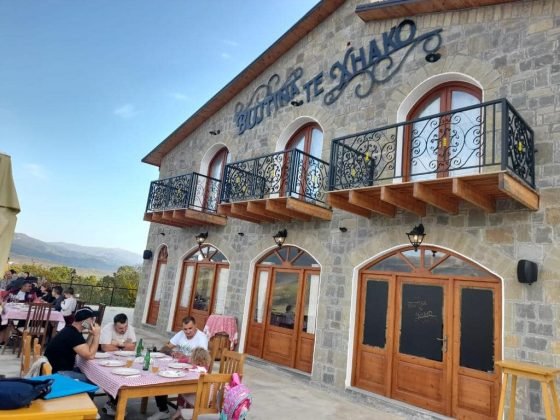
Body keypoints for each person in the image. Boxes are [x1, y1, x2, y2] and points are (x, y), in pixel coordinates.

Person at [148, 316, 209, 420]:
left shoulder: (202, 338)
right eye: (185, 329)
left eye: (190, 328)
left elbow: (202, 359)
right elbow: (165, 347)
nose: (187, 331)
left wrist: (184, 357)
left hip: (194, 370)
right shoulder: (180, 334)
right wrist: (172, 352)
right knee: (160, 376)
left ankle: (180, 409)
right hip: (179, 367)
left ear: (195, 326)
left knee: (166, 379)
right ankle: (164, 410)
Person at [44, 307, 100, 379]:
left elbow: (86, 349)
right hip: (59, 374)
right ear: (85, 321)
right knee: (93, 379)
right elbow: (90, 356)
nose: (94, 322)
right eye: (92, 319)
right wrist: (97, 335)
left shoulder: (71, 330)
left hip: (56, 369)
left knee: (88, 373)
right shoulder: (73, 334)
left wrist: (91, 335)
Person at [171, 347, 211, 420]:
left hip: (199, 395)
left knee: (182, 390)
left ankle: (181, 409)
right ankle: (181, 409)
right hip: (201, 391)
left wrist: (189, 367)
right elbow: (184, 360)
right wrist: (182, 360)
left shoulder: (203, 369)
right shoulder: (204, 365)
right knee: (183, 389)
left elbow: (197, 368)